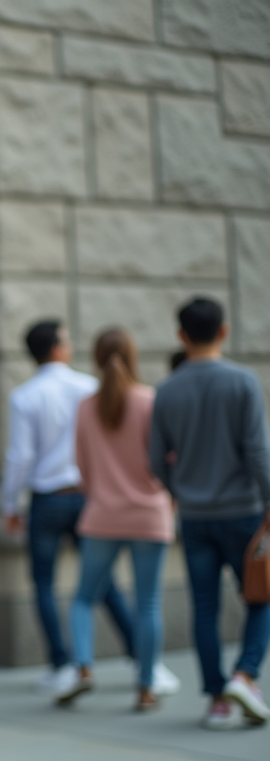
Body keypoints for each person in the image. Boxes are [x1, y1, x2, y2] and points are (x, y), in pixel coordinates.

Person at [3, 321, 151, 696]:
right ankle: (140, 654)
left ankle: (62, 663)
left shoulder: (24, 395)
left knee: (43, 583)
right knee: (101, 581)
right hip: (87, 495)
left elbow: (20, 456)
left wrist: (10, 504)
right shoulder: (89, 386)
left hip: (47, 498)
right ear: (56, 349)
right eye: (67, 340)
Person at [149, 297, 270, 730]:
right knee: (262, 596)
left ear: (181, 335)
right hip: (244, 512)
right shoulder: (242, 381)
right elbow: (258, 451)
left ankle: (218, 699)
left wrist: (178, 490)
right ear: (224, 330)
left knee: (204, 608)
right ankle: (246, 674)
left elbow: (155, 459)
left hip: (195, 516)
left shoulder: (166, 389)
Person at [56, 329, 174, 712]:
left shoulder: (86, 408)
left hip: (102, 515)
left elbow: (82, 469)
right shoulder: (150, 401)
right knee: (149, 603)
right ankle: (145, 686)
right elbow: (166, 461)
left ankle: (84, 669)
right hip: (149, 515)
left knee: (83, 599)